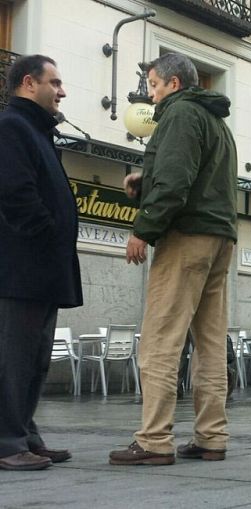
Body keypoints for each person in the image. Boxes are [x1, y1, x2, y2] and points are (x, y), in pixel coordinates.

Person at [109, 53, 238, 465]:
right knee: (211, 343)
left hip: (187, 237)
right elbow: (196, 175)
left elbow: (178, 180)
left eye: (153, 84)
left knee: (161, 339)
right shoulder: (215, 120)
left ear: (174, 84)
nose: (150, 93)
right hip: (220, 237)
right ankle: (211, 436)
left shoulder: (180, 114)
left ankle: (153, 440)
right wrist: (146, 181)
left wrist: (142, 229)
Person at [0, 54, 81, 471]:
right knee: (12, 359)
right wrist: (47, 234)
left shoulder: (37, 132)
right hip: (21, 269)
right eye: (56, 82)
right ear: (29, 83)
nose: (62, 91)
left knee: (34, 360)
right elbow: (15, 194)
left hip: (42, 270)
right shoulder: (13, 127)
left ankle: (25, 435)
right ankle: (6, 443)